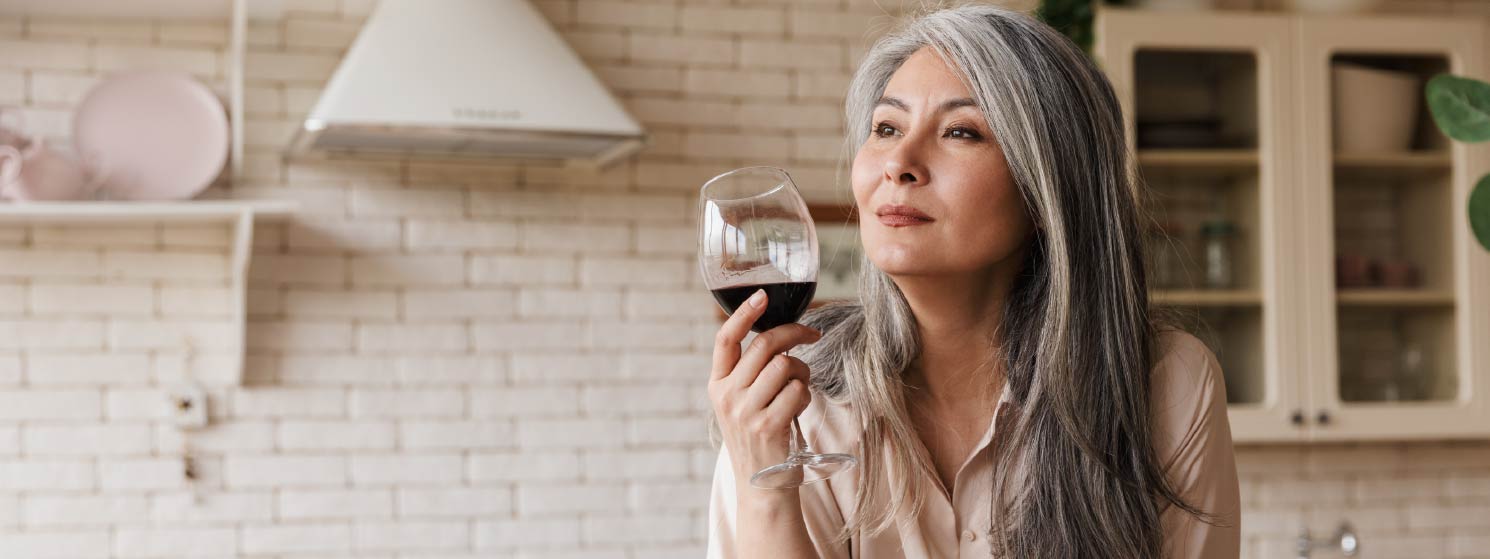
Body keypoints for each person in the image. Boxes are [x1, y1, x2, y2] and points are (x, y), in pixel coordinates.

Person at [703, 3, 1241, 558]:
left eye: (961, 131)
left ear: (1046, 190)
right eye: (886, 127)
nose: (899, 162)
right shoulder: (794, 403)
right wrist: (763, 484)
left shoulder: (1166, 382)